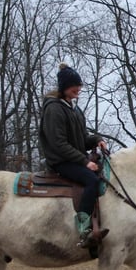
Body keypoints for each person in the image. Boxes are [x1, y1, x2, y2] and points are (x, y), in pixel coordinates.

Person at [39, 62, 109, 249]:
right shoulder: (54, 109)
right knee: (91, 181)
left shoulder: (74, 109)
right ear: (64, 87)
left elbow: (82, 139)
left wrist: (97, 140)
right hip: (61, 161)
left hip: (74, 158)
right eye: (74, 86)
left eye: (79, 86)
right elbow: (58, 144)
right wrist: (84, 162)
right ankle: (84, 229)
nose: (78, 89)